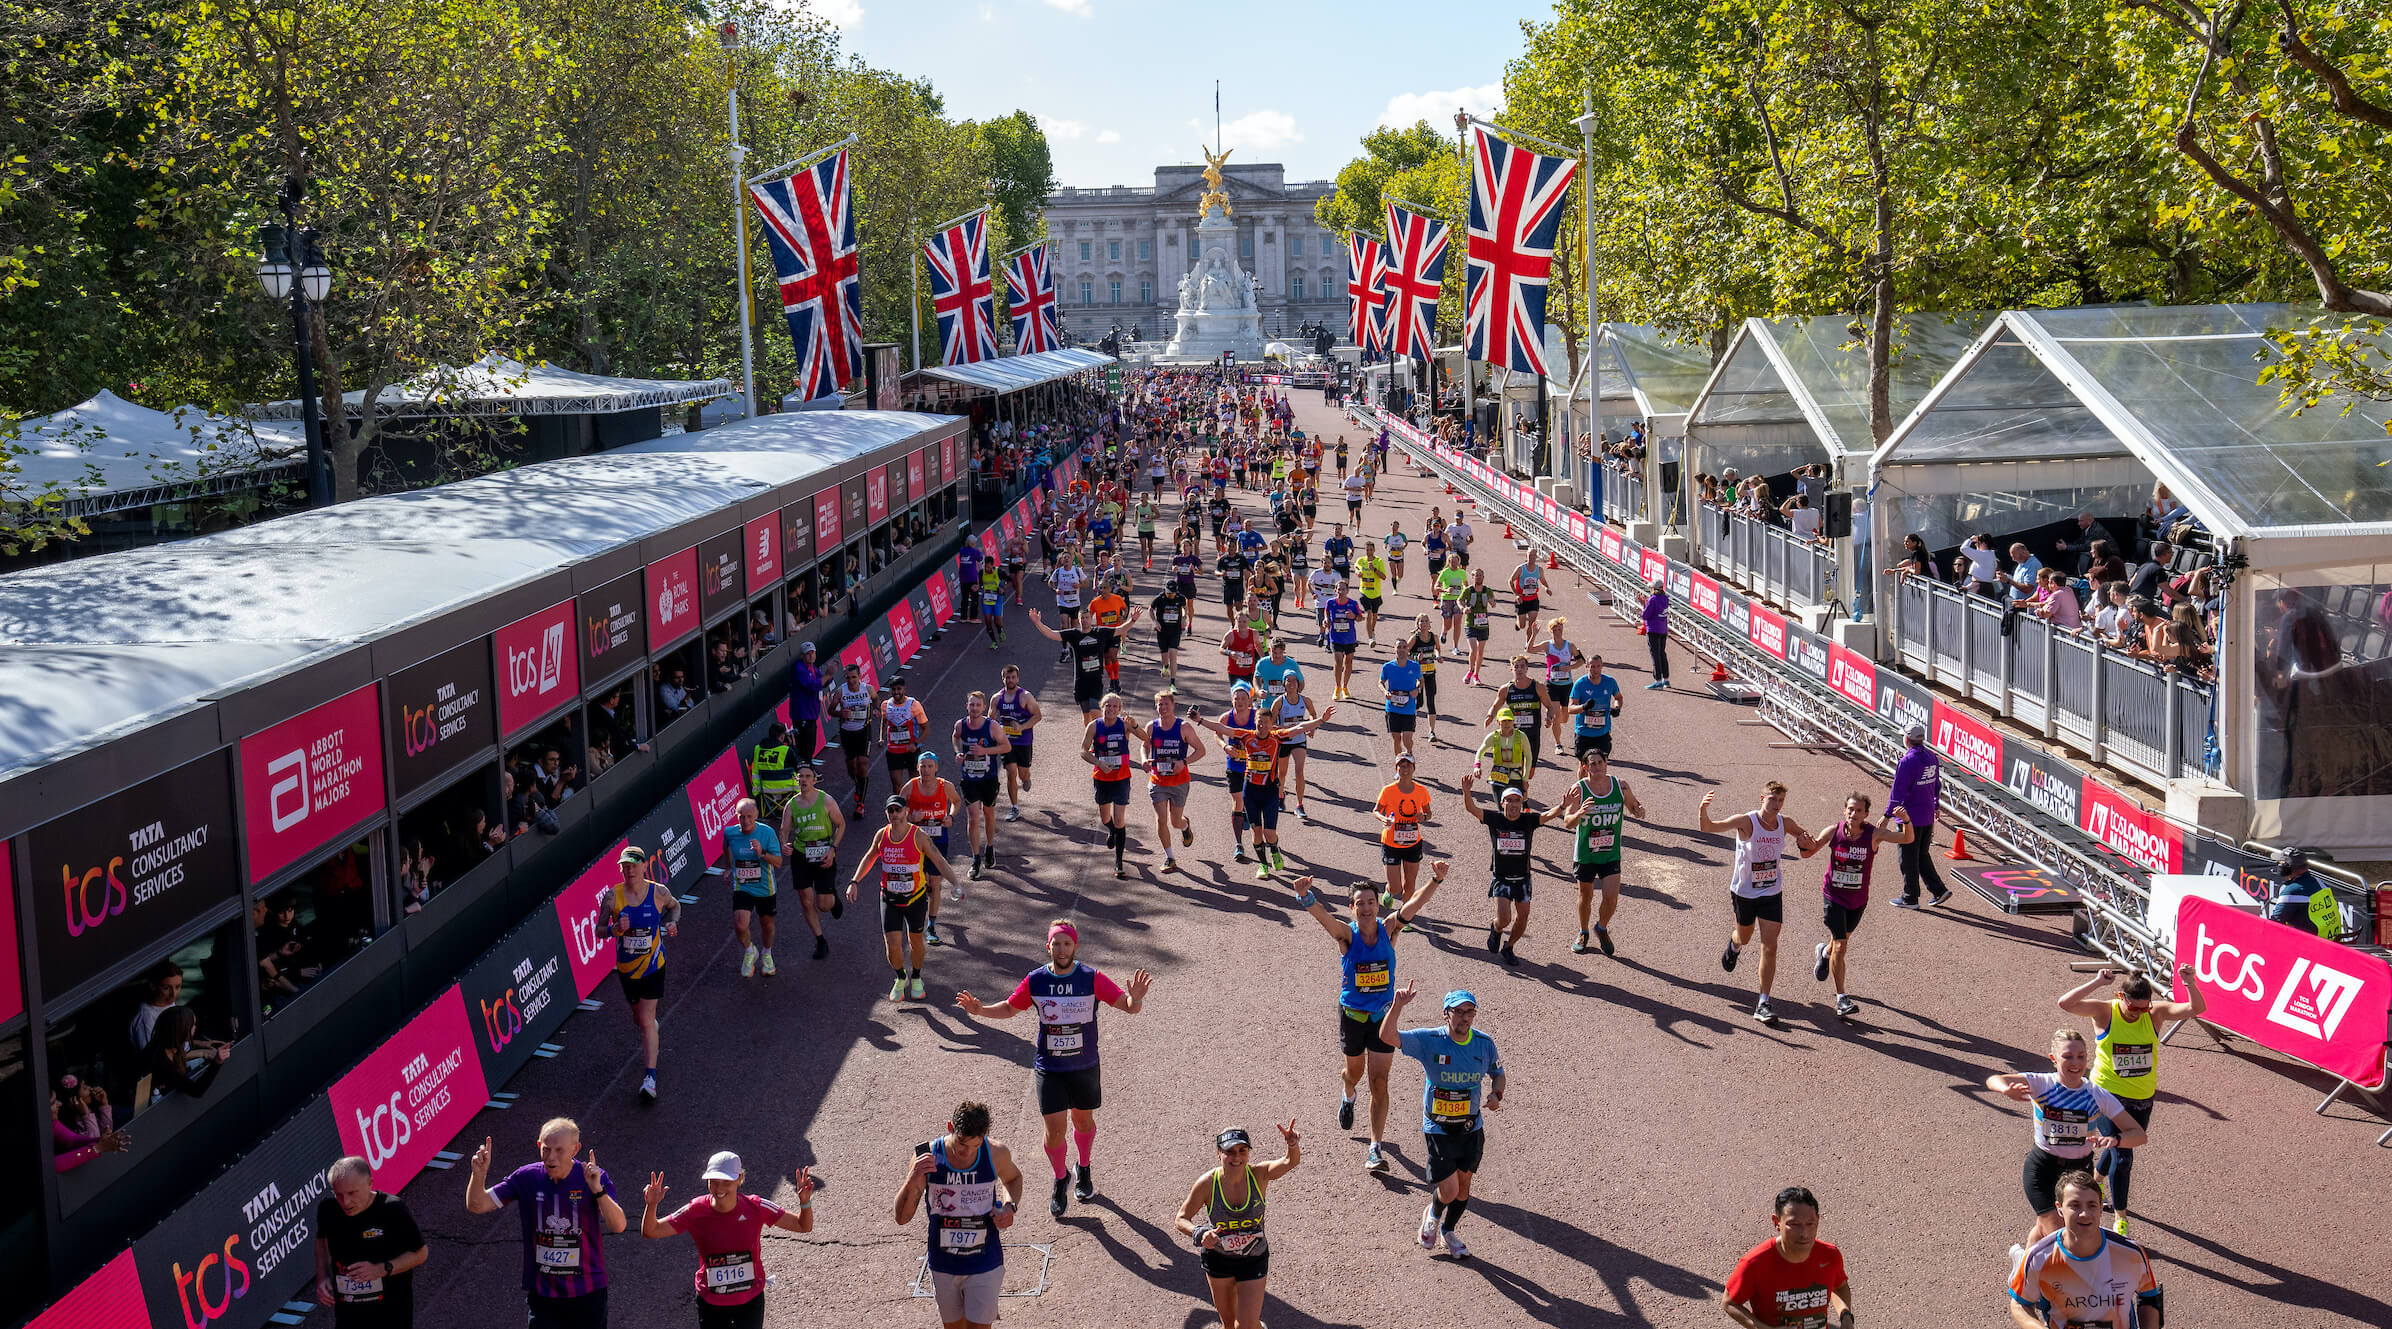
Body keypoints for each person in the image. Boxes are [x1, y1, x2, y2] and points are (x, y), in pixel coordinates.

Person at [956, 921, 1153, 1216]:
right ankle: (1061, 1178)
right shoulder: (1036, 980)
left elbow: (1127, 1006)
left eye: (1067, 944)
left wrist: (1135, 998)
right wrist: (980, 1010)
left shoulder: (1091, 978)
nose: (1061, 949)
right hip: (1050, 1067)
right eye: (1056, 944)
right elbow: (1011, 1007)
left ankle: (1083, 1168)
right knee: (1055, 1131)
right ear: (1047, 947)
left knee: (1083, 1123)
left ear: (1075, 947)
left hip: (1084, 1065)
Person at [1293, 864, 1447, 1170]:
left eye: (1371, 903)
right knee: (1354, 1075)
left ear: (1378, 905)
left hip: (1381, 1017)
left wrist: (1436, 879)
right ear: (1351, 908)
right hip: (1352, 1017)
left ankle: (1376, 1148)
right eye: (1359, 903)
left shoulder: (1390, 928)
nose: (1366, 908)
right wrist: (1305, 897)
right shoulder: (1346, 937)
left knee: (1380, 1081)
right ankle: (1348, 1095)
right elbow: (1325, 919)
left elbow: (1414, 904)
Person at [2055, 965, 2204, 1233]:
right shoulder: (2105, 1011)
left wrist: (2189, 983)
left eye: (2143, 1008)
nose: (2138, 1014)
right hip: (2106, 1094)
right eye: (2133, 1008)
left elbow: (2196, 1009)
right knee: (2123, 1156)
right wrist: (2097, 982)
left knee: (2120, 1147)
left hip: (2142, 1097)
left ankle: (2096, 1180)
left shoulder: (2154, 1013)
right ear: (2121, 998)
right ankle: (2120, 1219)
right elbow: (2066, 1003)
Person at [1985, 1029, 2150, 1249]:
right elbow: (1993, 1079)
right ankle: (2051, 1276)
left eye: (2081, 1056)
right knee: (2059, 1232)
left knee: (2045, 1228)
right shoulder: (2041, 1084)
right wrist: (2006, 1089)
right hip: (2042, 1169)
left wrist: (2116, 1140)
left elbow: (2139, 1135)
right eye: (2068, 1056)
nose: (2076, 1063)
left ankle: (2023, 1267)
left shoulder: (2096, 1094)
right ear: (2053, 1059)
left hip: (2079, 1172)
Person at [1380, 985, 1504, 1260]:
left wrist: (1497, 1093)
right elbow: (1388, 1036)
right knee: (1449, 1190)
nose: (1464, 1017)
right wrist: (1398, 1006)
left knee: (1463, 1189)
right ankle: (1433, 1215)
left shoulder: (1483, 1043)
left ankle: (1448, 1232)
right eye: (1458, 1011)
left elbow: (1498, 1073)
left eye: (1469, 1012)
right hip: (1439, 1128)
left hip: (1471, 1128)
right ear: (1445, 1014)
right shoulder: (1430, 1040)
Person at [466, 1120, 626, 1329]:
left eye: (559, 1150)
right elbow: (477, 1205)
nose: (551, 1157)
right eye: (546, 1149)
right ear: (539, 1145)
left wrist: (598, 1191)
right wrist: (478, 1175)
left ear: (575, 1149)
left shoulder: (594, 1176)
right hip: (544, 1296)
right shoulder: (526, 1177)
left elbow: (618, 1226)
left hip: (588, 1293)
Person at [641, 1156, 813, 1329]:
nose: (719, 1188)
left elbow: (802, 1225)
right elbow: (651, 1231)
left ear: (739, 1179)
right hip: (711, 1302)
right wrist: (652, 1205)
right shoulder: (695, 1210)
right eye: (713, 1181)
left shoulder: (756, 1206)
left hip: (750, 1299)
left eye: (726, 1181)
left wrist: (805, 1203)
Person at [893, 1101, 1023, 1329]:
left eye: (976, 1145)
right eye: (962, 1143)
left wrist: (1010, 1206)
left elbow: (1013, 1179)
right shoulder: (929, 1157)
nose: (967, 1152)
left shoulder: (995, 1153)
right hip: (944, 1264)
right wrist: (912, 1177)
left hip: (985, 1262)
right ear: (950, 1127)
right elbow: (902, 1218)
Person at [1697, 783, 1814, 1024]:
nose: (1777, 804)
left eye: (1781, 800)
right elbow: (1707, 827)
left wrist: (1805, 841)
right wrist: (1703, 810)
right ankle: (1734, 945)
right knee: (1745, 936)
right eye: (1773, 799)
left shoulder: (1785, 823)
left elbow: (1806, 842)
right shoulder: (1745, 821)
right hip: (1745, 893)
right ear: (1762, 798)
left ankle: (1763, 1002)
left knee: (1769, 946)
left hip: (1772, 892)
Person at [1791, 794, 1915, 1018]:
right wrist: (1802, 846)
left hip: (1858, 900)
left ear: (1866, 814)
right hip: (1833, 896)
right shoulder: (1833, 831)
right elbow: (1810, 852)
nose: (1853, 813)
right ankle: (1842, 999)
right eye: (1850, 809)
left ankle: (1823, 951)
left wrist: (1906, 821)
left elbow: (1907, 839)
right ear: (1844, 810)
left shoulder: (1874, 835)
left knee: (1840, 942)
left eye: (1858, 810)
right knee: (1842, 946)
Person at [1173, 1123, 1302, 1329]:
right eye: (1230, 1152)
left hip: (1254, 1259)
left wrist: (1292, 1145)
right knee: (1229, 1325)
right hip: (1218, 1260)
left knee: (1246, 1325)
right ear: (1219, 1154)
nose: (1237, 1157)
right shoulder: (1207, 1184)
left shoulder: (1259, 1174)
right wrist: (1200, 1233)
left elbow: (1289, 1162)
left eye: (1242, 1151)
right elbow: (1181, 1218)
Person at [2006, 1171, 2162, 1329]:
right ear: (2060, 1209)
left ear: (2101, 1207)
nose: (2084, 1214)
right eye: (2075, 1206)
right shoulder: (2039, 1257)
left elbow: (2149, 1298)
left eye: (2092, 1205)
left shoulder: (2131, 1253)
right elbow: (2019, 1304)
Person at [1455, 771, 1572, 964]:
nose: (1514, 804)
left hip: (1523, 879)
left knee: (1523, 918)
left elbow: (1546, 816)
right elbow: (1472, 809)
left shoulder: (1527, 820)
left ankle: (1509, 947)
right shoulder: (1495, 819)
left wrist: (1562, 806)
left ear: (1521, 803)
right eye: (1509, 800)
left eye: (1517, 800)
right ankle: (1497, 928)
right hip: (1501, 878)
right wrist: (1466, 792)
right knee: (1505, 919)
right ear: (1503, 803)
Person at [849, 794, 956, 1002]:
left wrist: (956, 883)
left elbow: (939, 860)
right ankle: (901, 976)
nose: (895, 814)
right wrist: (855, 881)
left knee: (915, 942)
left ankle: (916, 976)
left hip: (915, 899)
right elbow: (870, 857)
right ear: (886, 813)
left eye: (898, 810)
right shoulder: (882, 835)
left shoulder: (919, 836)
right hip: (889, 898)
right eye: (891, 811)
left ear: (906, 811)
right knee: (892, 945)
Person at [598, 846, 679, 1102]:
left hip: (654, 967)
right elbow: (599, 930)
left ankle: (650, 1078)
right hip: (626, 970)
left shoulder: (659, 892)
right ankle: (650, 1030)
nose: (629, 870)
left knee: (645, 1019)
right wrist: (614, 930)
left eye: (633, 865)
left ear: (644, 866)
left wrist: (672, 921)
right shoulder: (612, 898)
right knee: (640, 1019)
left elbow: (675, 907)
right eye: (624, 866)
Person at [314, 1155, 428, 1327]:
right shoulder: (328, 1209)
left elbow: (420, 1254)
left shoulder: (392, 1209)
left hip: (391, 1315)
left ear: (369, 1184)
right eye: (339, 1195)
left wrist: (381, 1269)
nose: (346, 1202)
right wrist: (322, 1276)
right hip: (348, 1316)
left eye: (352, 1193)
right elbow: (321, 1240)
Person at [1720, 1185, 1854, 1329]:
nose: (1804, 1233)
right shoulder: (1755, 1263)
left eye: (1810, 1224)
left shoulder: (1829, 1255)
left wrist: (1846, 1317)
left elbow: (1840, 1286)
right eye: (1794, 1224)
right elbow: (1729, 1302)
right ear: (1777, 1222)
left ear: (1818, 1220)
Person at [1557, 748, 1647, 957]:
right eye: (1592, 763)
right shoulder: (1578, 789)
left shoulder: (1620, 786)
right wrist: (1580, 812)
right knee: (1585, 896)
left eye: (1600, 762)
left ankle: (1602, 927)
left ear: (1606, 763)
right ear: (1585, 767)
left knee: (1611, 898)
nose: (1596, 767)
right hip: (1586, 854)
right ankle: (1583, 931)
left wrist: (1638, 810)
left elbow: (1633, 805)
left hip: (1610, 853)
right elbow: (1568, 823)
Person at [1133, 689, 1208, 873]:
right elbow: (1145, 745)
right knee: (1161, 820)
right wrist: (1144, 758)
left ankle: (1185, 826)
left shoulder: (1184, 727)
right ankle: (1170, 857)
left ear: (1173, 706)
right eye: (1160, 704)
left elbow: (1201, 750)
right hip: (1158, 781)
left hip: (1179, 782)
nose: (1163, 707)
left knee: (1175, 822)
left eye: (1166, 704)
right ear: (1156, 706)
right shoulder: (1151, 726)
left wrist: (1184, 762)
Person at [780, 765, 845, 959]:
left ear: (814, 780)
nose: (804, 780)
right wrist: (784, 844)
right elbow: (784, 830)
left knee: (823, 905)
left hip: (824, 853)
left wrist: (833, 849)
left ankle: (833, 898)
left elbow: (841, 824)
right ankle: (820, 941)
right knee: (806, 901)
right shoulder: (791, 805)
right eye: (801, 776)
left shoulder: (826, 800)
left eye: (808, 776)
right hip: (801, 856)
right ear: (796, 780)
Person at [1887, 724, 1952, 908]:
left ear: (1907, 739)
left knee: (1907, 857)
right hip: (1926, 815)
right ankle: (1939, 890)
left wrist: (1886, 815)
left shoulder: (1907, 761)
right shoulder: (1932, 756)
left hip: (1909, 818)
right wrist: (1936, 805)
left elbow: (1897, 792)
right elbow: (1936, 785)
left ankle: (1910, 897)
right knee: (1922, 855)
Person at [952, 692, 1013, 881]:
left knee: (988, 813)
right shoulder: (961, 725)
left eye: (978, 705)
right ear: (967, 706)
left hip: (989, 779)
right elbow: (956, 737)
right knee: (972, 817)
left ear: (984, 707)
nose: (975, 708)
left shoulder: (992, 726)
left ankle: (990, 847)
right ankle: (976, 858)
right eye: (972, 705)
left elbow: (1006, 747)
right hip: (969, 779)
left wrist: (985, 751)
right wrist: (958, 753)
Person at [723, 798, 785, 978]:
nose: (746, 821)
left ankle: (767, 953)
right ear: (737, 816)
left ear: (757, 815)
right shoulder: (730, 833)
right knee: (740, 925)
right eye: (742, 817)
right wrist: (728, 868)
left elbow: (779, 862)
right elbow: (725, 849)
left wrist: (762, 854)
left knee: (767, 924)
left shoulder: (767, 833)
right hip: (742, 886)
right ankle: (750, 951)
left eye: (750, 816)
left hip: (765, 888)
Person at [904, 754, 963, 935]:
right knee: (919, 881)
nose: (926, 770)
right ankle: (917, 914)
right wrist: (910, 817)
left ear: (936, 768)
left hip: (939, 838)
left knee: (935, 882)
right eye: (923, 766)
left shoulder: (945, 786)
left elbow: (957, 802)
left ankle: (931, 924)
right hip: (916, 841)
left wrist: (950, 817)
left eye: (930, 766)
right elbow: (896, 810)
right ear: (917, 767)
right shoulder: (910, 786)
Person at [994, 664, 1041, 822]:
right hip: (1006, 742)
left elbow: (1037, 716)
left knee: (1022, 773)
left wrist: (1021, 727)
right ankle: (1014, 807)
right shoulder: (997, 698)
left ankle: (1027, 778)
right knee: (1010, 772)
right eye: (1007, 677)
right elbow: (991, 719)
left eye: (1013, 677)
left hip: (1023, 741)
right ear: (1003, 679)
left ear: (1018, 678)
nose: (1010, 680)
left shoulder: (1025, 696)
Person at [1487, 654, 1548, 777]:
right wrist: (1490, 716)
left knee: (1529, 774)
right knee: (1517, 772)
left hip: (1533, 734)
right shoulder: (1506, 689)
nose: (1519, 669)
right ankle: (1516, 794)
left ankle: (1522, 793)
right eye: (1516, 667)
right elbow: (1495, 706)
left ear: (1527, 668)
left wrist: (1550, 717)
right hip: (1514, 735)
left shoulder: (1538, 687)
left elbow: (1550, 706)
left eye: (1522, 666)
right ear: (1512, 669)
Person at [831, 662, 878, 816]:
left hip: (864, 731)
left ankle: (860, 803)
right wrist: (840, 713)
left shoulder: (868, 689)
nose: (851, 680)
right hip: (847, 732)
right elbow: (830, 710)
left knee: (863, 764)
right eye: (848, 677)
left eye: (854, 677)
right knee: (852, 766)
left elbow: (876, 699)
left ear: (860, 676)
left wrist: (876, 709)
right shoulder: (841, 692)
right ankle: (858, 783)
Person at [1377, 643, 1425, 764]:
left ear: (1408, 650)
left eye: (1404, 647)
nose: (1401, 650)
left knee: (1407, 739)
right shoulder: (1388, 667)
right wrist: (1385, 691)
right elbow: (1380, 682)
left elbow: (1421, 681)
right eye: (1399, 647)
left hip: (1408, 709)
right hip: (1392, 709)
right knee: (1396, 739)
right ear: (1394, 649)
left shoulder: (1414, 666)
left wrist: (1417, 690)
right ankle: (1399, 765)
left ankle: (1409, 752)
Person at [1472, 707, 1534, 800]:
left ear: (1513, 721)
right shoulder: (1493, 736)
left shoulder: (1521, 736)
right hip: (1498, 777)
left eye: (1509, 720)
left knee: (1513, 809)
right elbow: (1480, 751)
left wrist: (1525, 779)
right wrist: (1477, 766)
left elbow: (1528, 757)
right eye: (1504, 721)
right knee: (1501, 809)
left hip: (1515, 777)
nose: (1507, 723)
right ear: (1498, 722)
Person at [749, 722, 799, 827]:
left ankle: (771, 809)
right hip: (787, 787)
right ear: (782, 736)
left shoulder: (758, 748)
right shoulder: (786, 750)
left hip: (763, 788)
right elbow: (798, 766)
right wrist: (793, 746)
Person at [1324, 579, 1364, 700]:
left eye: (1343, 589)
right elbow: (1326, 613)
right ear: (1335, 590)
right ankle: (1337, 687)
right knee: (1338, 662)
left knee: (1349, 663)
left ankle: (1345, 687)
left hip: (1349, 638)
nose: (1341, 591)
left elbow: (1361, 618)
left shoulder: (1353, 603)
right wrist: (1325, 620)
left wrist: (1354, 616)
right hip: (1335, 638)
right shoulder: (1330, 603)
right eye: (1339, 589)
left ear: (1347, 591)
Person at [1458, 568, 1498, 684]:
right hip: (1470, 623)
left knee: (1480, 651)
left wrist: (1493, 603)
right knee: (1473, 649)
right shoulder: (1468, 590)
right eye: (1476, 575)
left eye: (1480, 575)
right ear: (1472, 577)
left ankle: (1476, 675)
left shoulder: (1488, 591)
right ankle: (1470, 670)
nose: (1478, 577)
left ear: (1483, 577)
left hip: (1483, 624)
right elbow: (1459, 600)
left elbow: (1493, 603)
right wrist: (1463, 608)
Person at [1149, 576, 1191, 684]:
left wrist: (1184, 617)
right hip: (1162, 630)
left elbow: (1185, 608)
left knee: (1173, 655)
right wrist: (1155, 622)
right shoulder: (1159, 598)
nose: (1170, 595)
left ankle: (1173, 683)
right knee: (1164, 656)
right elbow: (1150, 609)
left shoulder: (1180, 598)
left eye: (1172, 593)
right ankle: (1165, 666)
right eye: (1168, 593)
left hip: (1175, 630)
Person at [1639, 580, 1672, 688]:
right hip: (1663, 629)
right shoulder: (1665, 598)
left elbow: (1645, 615)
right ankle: (1666, 679)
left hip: (1653, 629)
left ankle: (1658, 680)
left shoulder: (1652, 599)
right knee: (1662, 653)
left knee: (1655, 655)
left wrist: (1643, 604)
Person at [1509, 551, 1544, 638]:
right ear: (1526, 556)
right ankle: (1517, 623)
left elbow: (1543, 580)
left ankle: (1528, 645)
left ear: (1536, 557)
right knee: (1522, 625)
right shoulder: (1520, 568)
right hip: (1521, 600)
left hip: (1533, 599)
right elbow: (1510, 581)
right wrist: (1516, 595)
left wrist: (1546, 587)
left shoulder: (1539, 569)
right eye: (1529, 555)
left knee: (1532, 624)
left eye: (1533, 555)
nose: (1531, 557)